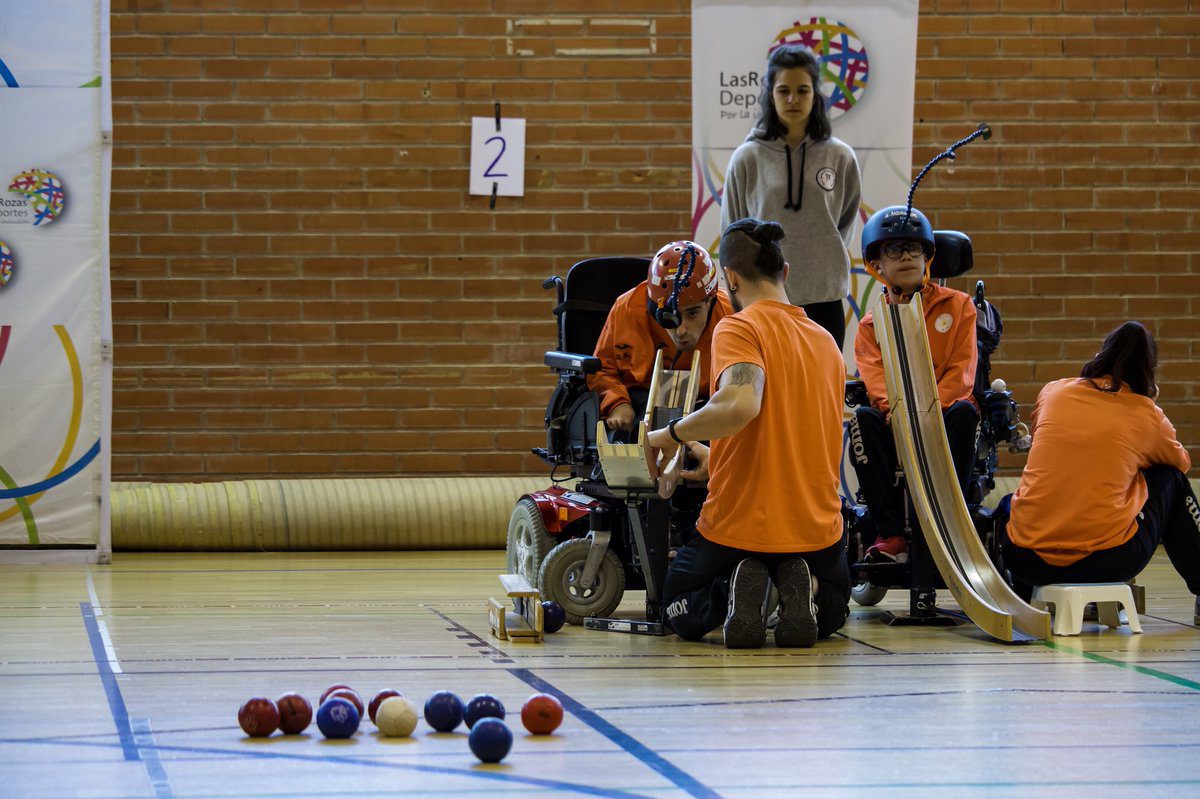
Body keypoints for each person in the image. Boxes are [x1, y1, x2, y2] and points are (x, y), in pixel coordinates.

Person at [645, 218, 850, 649]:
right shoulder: (827, 343)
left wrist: (672, 434)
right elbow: (788, 432)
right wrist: (715, 456)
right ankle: (801, 590)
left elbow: (741, 405)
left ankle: (737, 590)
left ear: (731, 279)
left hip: (738, 528)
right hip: (815, 532)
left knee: (676, 602)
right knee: (836, 607)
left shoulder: (739, 327)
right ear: (786, 272)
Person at [1001, 322, 1199, 625]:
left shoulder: (1054, 390)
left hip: (1026, 560)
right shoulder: (1146, 413)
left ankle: (1019, 594)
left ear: (1101, 354)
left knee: (1008, 503)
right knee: (1170, 479)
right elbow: (1180, 463)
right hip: (1107, 563)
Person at [850, 205, 979, 564]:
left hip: (946, 416)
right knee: (861, 418)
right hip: (897, 422)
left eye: (914, 248)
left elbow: (962, 370)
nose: (906, 256)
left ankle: (954, 522)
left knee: (967, 412)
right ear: (877, 264)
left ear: (928, 256)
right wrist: (897, 412)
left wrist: (931, 411)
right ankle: (891, 534)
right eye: (894, 249)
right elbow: (875, 379)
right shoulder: (871, 325)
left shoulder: (960, 306)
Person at [720, 45, 862, 349]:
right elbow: (732, 232)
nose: (792, 99)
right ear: (770, 94)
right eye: (783, 90)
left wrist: (820, 252)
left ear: (816, 95)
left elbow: (844, 225)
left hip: (824, 297)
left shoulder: (840, 156)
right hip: (763, 298)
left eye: (802, 90)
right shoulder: (747, 158)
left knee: (821, 390)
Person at [589, 241, 733, 434]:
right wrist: (616, 402)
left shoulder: (731, 316)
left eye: (692, 313)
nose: (681, 330)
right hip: (643, 401)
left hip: (707, 404)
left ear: (710, 301)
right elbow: (601, 369)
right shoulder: (627, 309)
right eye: (669, 316)